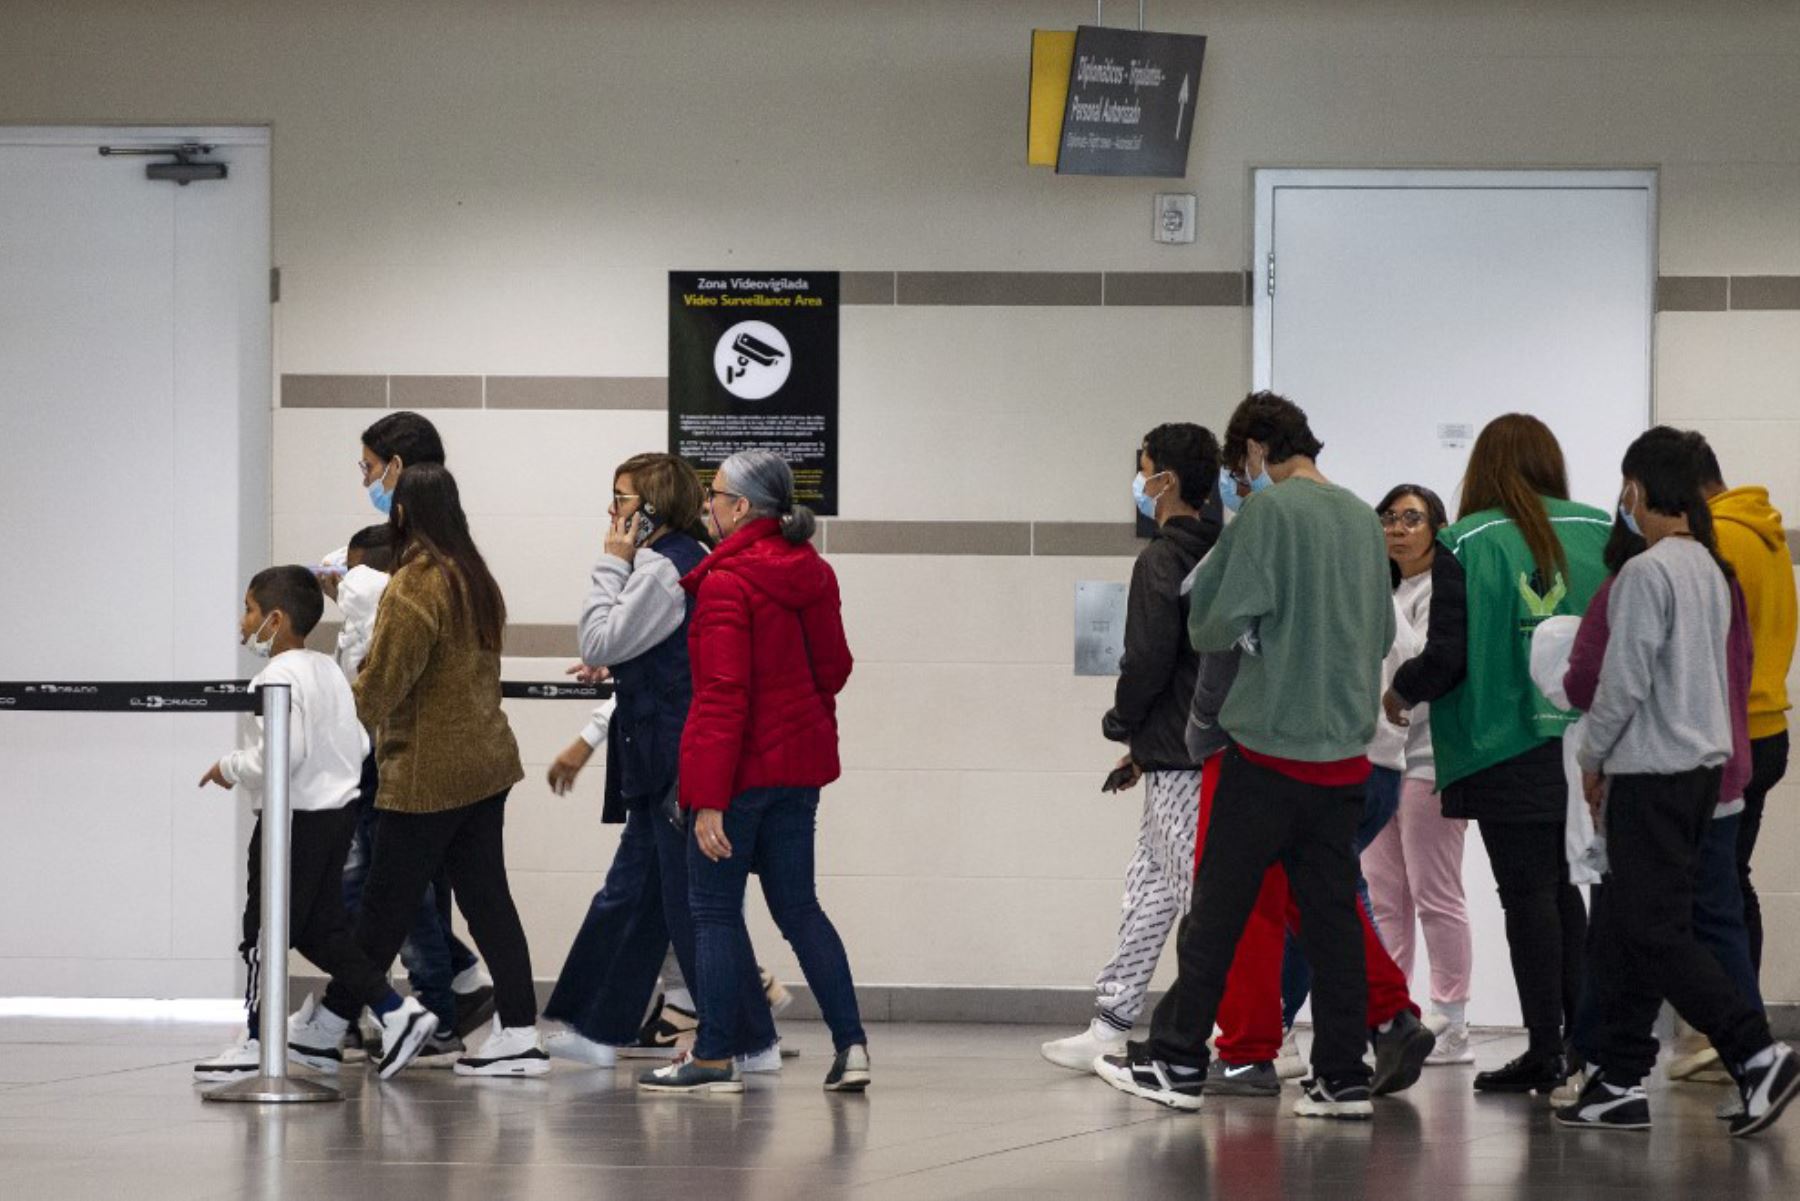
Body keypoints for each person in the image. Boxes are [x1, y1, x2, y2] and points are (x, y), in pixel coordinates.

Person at [1095, 392, 1398, 1120]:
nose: (1243, 477)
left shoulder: (1269, 514)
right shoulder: (1362, 516)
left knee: (1219, 914)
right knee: (1330, 918)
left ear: (1260, 448)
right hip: (1345, 758)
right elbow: (1383, 632)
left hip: (1268, 751)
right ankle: (1342, 1076)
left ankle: (1174, 1060)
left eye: (1244, 462)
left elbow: (1214, 622)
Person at [1556, 427, 1798, 1137]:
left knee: (1652, 929)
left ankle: (1756, 1051)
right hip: (1699, 774)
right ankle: (1619, 1077)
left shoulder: (1647, 572)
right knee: (1636, 928)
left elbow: (1621, 680)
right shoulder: (1709, 569)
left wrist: (1591, 755)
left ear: (1637, 489)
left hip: (1651, 774)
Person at [289, 463, 547, 1077]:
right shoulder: (473, 577)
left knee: (382, 908)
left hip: (429, 773)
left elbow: (382, 684)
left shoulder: (415, 585)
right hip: (486, 764)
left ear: (401, 515)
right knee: (486, 902)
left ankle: (334, 1025)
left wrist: (322, 732)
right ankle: (520, 1031)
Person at [1388, 413, 1609, 1094]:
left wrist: (1403, 688)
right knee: (1564, 890)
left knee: (1527, 895)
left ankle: (1547, 1047)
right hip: (1585, 740)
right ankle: (1579, 1042)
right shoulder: (1603, 529)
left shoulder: (1465, 539)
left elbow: (1448, 656)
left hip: (1501, 739)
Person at [639, 450, 868, 1094]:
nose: (706, 504)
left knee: (711, 910)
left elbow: (721, 696)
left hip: (738, 775)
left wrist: (706, 798)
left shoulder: (726, 582)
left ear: (741, 507)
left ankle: (713, 1056)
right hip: (800, 771)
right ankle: (852, 1047)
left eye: (714, 494)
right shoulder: (813, 572)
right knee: (799, 908)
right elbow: (836, 669)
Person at [541, 453, 779, 1071]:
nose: (614, 513)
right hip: (664, 756)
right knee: (640, 897)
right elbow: (637, 646)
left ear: (651, 508)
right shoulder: (682, 563)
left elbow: (598, 638)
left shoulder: (657, 569)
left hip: (674, 759)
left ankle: (747, 1039)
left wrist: (609, 564)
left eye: (622, 499)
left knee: (684, 904)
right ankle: (601, 1025)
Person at [193, 567, 434, 1082]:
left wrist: (230, 767)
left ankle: (258, 1039)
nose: (243, 622)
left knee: (261, 930)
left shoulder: (274, 678)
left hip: (291, 821)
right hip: (337, 817)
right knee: (320, 930)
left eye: (250, 610)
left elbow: (284, 753)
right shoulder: (328, 671)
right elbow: (361, 743)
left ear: (275, 620)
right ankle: (396, 1011)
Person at [1040, 423, 1222, 1072]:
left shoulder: (1162, 560)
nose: (1139, 483)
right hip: (1178, 749)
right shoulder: (1220, 551)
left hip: (1181, 758)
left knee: (1202, 900)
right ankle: (1111, 1019)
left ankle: (1246, 1034)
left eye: (1144, 469)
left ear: (1165, 481)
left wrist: (1123, 722)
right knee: (1149, 886)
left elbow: (1147, 659)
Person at [1360, 484, 1475, 1065]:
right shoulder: (1377, 589)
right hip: (1381, 758)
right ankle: (1393, 1016)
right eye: (1389, 517)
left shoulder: (1445, 589)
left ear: (1436, 527)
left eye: (1412, 518)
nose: (1399, 528)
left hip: (1432, 759)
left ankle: (1451, 1021)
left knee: (1437, 894)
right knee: (1384, 899)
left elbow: (1434, 666)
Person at [1699, 446, 1796, 988]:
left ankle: (1732, 1022)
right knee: (1731, 879)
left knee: (1714, 886)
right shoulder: (1763, 532)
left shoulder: (1721, 538)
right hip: (1766, 728)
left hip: (1732, 733)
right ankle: (1735, 1017)